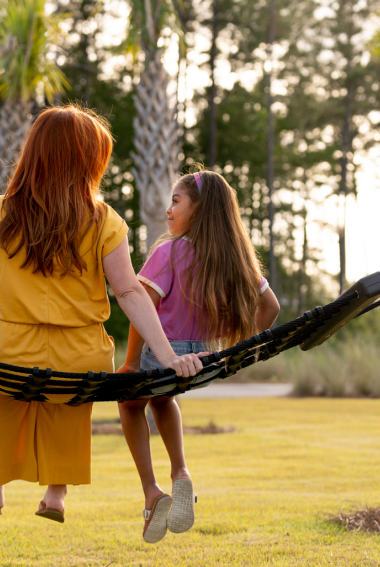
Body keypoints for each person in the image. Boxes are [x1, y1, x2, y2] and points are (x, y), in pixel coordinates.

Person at [0, 105, 206, 524]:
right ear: (88, 162)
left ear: (33, 152)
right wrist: (167, 356)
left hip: (11, 350)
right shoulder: (103, 220)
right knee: (69, 393)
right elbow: (130, 292)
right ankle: (55, 495)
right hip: (80, 354)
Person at [117, 168, 280, 543]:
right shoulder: (234, 259)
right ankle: (181, 473)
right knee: (162, 397)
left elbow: (141, 308)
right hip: (199, 358)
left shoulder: (170, 252)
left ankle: (151, 491)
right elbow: (269, 307)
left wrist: (130, 362)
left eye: (176, 201)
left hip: (163, 353)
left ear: (199, 208)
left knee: (129, 404)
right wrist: (235, 347)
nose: (168, 211)